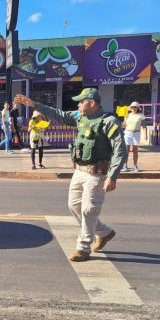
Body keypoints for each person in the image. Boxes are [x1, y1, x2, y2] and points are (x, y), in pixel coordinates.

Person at [15, 88, 126, 262]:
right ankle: (104, 232)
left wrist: (113, 176)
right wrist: (34, 104)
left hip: (97, 174)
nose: (78, 104)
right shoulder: (80, 117)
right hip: (79, 171)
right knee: (74, 206)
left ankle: (83, 248)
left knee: (88, 211)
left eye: (81, 101)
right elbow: (57, 114)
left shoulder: (108, 121)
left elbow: (120, 150)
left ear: (91, 102)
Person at [122, 101, 147, 171]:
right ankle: (125, 166)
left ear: (137, 108)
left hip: (136, 133)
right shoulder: (127, 115)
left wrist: (145, 135)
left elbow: (144, 126)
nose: (134, 108)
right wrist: (123, 123)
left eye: (135, 107)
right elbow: (124, 126)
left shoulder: (141, 115)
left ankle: (135, 166)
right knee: (126, 150)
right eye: (132, 107)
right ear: (130, 108)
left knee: (135, 150)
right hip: (127, 133)